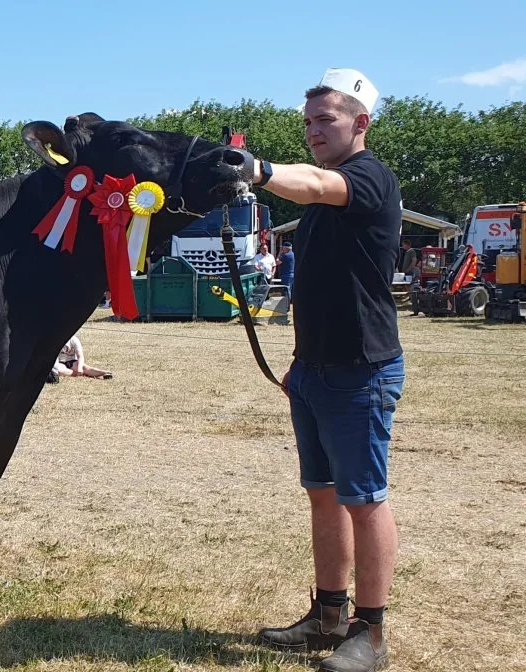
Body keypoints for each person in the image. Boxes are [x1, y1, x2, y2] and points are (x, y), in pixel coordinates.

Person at [247, 68, 404, 672]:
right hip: (315, 371)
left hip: (360, 371)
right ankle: (328, 614)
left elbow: (312, 183)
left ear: (360, 123)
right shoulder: (326, 193)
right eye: (308, 121)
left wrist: (257, 171)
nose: (313, 130)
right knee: (324, 497)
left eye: (326, 120)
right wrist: (298, 365)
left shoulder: (366, 178)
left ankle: (371, 632)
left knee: (363, 500)